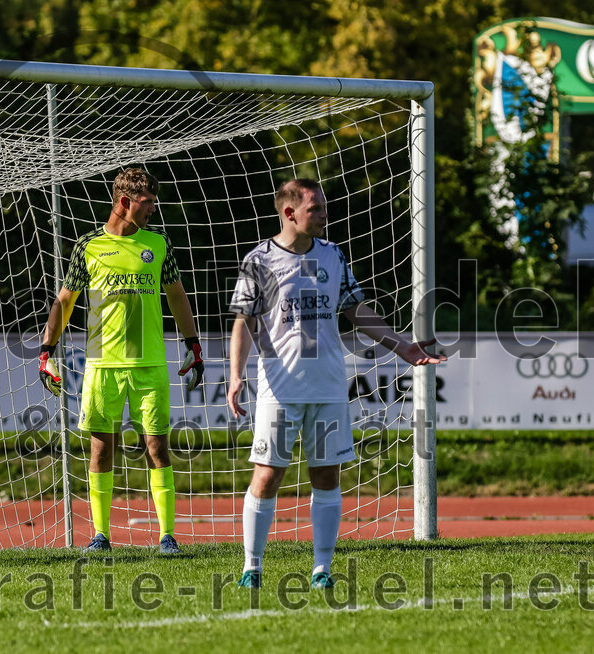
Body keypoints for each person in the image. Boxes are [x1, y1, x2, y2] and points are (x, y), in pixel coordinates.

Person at [226, 178, 445, 589]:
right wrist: (236, 375)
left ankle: (321, 570)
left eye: (324, 207)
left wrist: (402, 346)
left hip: (328, 387)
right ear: (289, 213)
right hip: (279, 389)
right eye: (316, 209)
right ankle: (251, 568)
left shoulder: (332, 254)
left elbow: (355, 310)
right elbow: (244, 321)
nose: (325, 215)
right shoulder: (259, 260)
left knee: (327, 475)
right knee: (267, 475)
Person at [38, 168, 204, 554]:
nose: (153, 210)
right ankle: (100, 536)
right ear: (125, 202)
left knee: (157, 448)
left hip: (150, 364)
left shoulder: (158, 243)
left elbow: (176, 294)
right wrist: (46, 351)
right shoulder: (88, 245)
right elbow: (65, 301)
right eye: (148, 203)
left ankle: (167, 537)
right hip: (102, 366)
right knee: (101, 450)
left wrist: (193, 345)